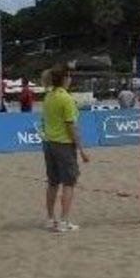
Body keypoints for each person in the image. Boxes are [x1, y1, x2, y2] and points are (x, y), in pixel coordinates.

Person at [41, 64, 90, 233]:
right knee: (69, 183)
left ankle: (50, 219)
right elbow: (71, 127)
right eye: (69, 76)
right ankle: (64, 221)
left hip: (49, 143)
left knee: (53, 182)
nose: (70, 79)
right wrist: (81, 150)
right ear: (64, 78)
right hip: (63, 144)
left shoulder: (49, 96)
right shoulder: (66, 98)